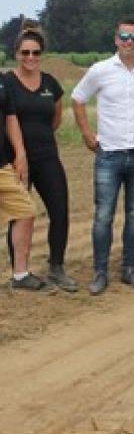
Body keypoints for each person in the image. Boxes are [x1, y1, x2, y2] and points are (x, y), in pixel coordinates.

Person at [72, 19, 134, 295]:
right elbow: (78, 99)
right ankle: (100, 272)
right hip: (109, 154)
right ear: (115, 39)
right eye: (124, 36)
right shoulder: (100, 70)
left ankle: (129, 269)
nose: (129, 41)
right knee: (103, 215)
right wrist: (88, 135)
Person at [5, 23, 77, 292]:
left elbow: (55, 117)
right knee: (19, 214)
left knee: (59, 209)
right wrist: (18, 153)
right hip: (16, 160)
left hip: (47, 156)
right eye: (25, 53)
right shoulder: (7, 83)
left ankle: (56, 267)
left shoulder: (50, 83)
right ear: (16, 53)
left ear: (42, 54)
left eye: (36, 53)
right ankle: (19, 272)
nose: (31, 58)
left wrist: (41, 138)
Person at [0, 67, 47, 291]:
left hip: (3, 165)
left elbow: (10, 118)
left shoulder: (1, 80)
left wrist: (20, 153)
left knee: (25, 211)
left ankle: (20, 275)